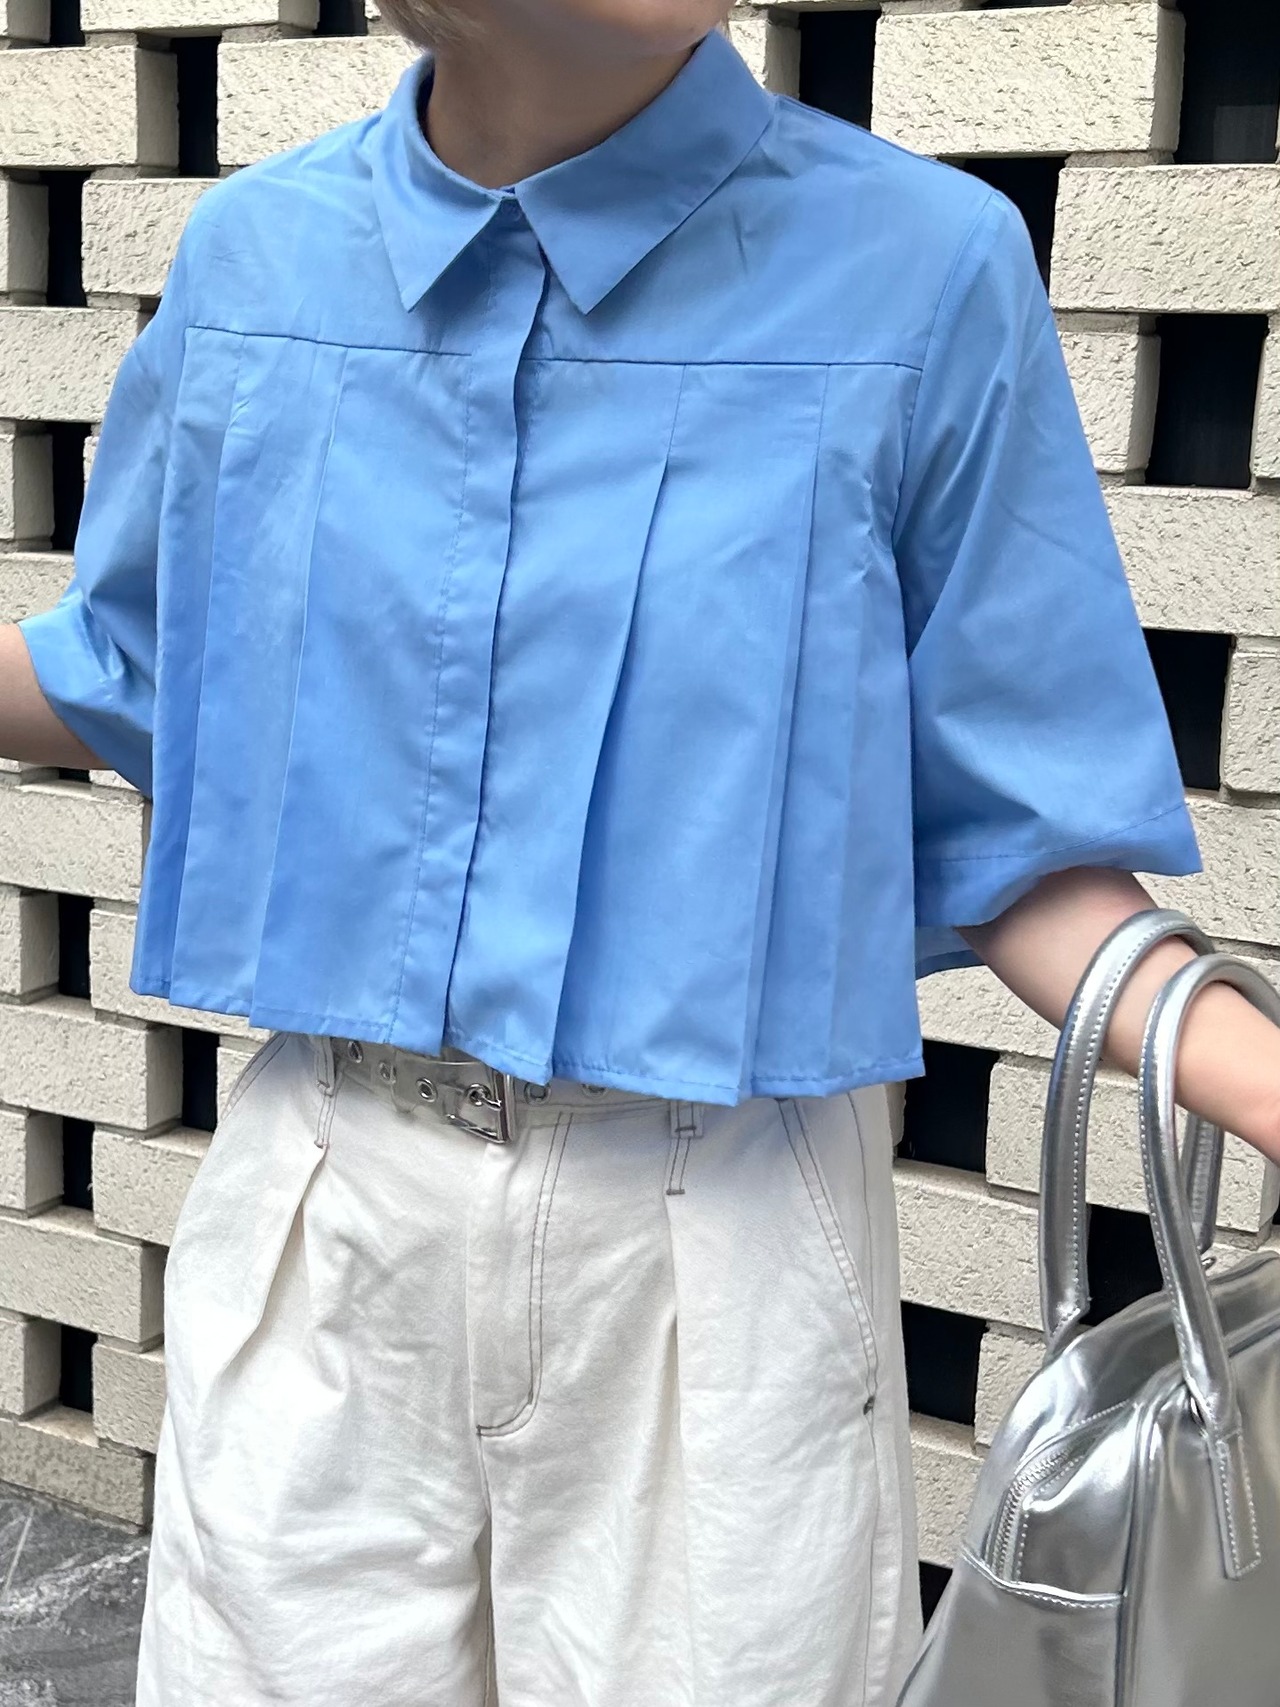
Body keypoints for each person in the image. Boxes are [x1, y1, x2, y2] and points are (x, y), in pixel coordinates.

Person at [2, 0, 1279, 1701]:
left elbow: (1020, 834)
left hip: (717, 1228)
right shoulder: (254, 259)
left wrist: (1262, 1084)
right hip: (326, 1195)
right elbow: (137, 669)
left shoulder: (923, 269)